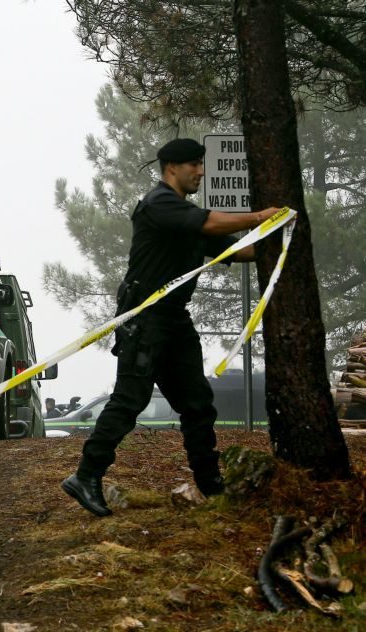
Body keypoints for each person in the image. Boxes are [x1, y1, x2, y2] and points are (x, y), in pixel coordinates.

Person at [61, 138, 281, 517]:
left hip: (176, 320)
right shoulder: (159, 205)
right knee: (130, 400)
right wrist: (261, 216)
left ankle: (212, 487)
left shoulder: (188, 219)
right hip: (143, 318)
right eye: (194, 164)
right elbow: (209, 221)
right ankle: (86, 476)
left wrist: (282, 233)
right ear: (171, 168)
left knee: (198, 404)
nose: (201, 171)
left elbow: (240, 251)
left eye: (201, 164)